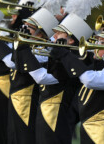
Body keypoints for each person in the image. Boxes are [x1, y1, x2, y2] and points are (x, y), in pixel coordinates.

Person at [53, 18, 104, 144]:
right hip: (89, 132)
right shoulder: (98, 67)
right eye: (97, 40)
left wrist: (65, 54)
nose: (96, 45)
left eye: (102, 43)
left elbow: (89, 79)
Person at [14, 13, 93, 144]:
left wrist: (24, 49)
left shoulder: (73, 62)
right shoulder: (59, 56)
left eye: (59, 33)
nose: (54, 36)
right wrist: (21, 47)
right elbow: (19, 65)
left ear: (71, 40)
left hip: (57, 120)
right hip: (45, 116)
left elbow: (42, 78)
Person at [7, 7, 58, 144]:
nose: (23, 28)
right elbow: (13, 62)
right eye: (25, 25)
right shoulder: (30, 48)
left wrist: (23, 46)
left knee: (25, 138)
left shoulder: (43, 52)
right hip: (16, 97)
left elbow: (24, 66)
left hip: (28, 100)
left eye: (29, 27)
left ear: (40, 34)